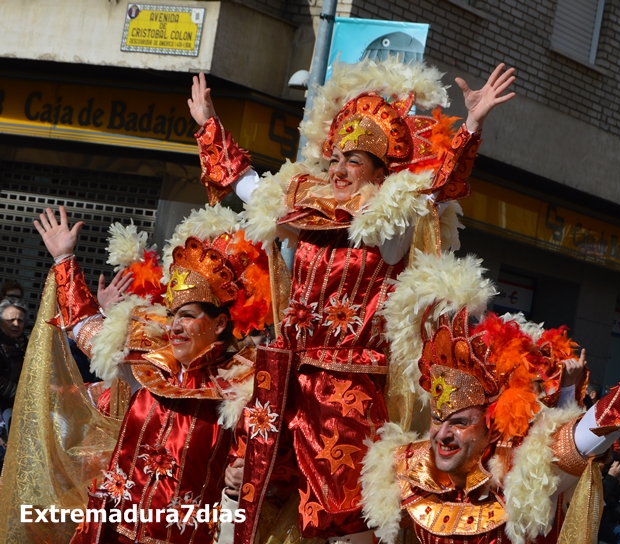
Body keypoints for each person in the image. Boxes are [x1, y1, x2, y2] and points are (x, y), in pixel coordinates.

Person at [188, 57, 516, 543]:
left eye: (354, 160)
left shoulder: (394, 219)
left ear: (379, 171)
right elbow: (249, 187)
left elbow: (437, 192)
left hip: (348, 394)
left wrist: (470, 125)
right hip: (283, 383)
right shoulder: (305, 202)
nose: (339, 168)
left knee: (343, 514)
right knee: (254, 500)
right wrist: (210, 127)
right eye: (335, 157)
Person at [358, 252, 620, 544]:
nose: (442, 434)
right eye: (440, 420)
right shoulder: (407, 466)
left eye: (460, 422)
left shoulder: (524, 473)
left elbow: (590, 434)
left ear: (491, 426)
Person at [33, 204, 270, 544]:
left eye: (187, 315)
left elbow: (265, 456)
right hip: (111, 531)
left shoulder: (245, 385)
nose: (176, 325)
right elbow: (84, 327)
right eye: (173, 314)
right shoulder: (147, 361)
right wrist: (64, 259)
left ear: (219, 324)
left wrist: (245, 474)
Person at [0, 297, 29, 424]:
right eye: (10, 320)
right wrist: (24, 394)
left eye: (20, 320)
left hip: (21, 407)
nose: (16, 324)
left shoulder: (28, 345)